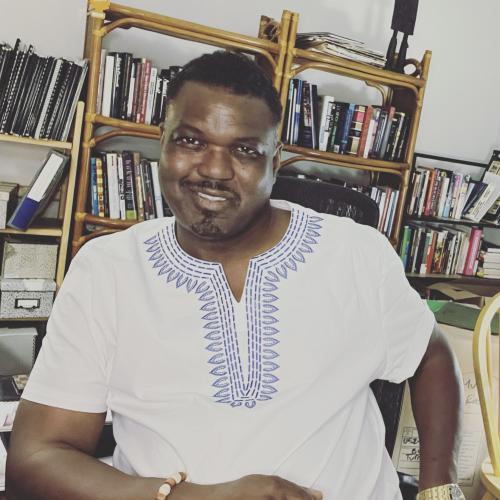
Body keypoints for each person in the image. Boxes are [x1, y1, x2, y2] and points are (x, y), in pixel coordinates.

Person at [7, 51, 464, 500]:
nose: (214, 170)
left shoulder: (355, 254)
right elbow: (36, 459)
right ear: (161, 139)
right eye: (190, 140)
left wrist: (437, 488)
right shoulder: (107, 271)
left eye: (245, 150)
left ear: (275, 159)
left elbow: (432, 355)